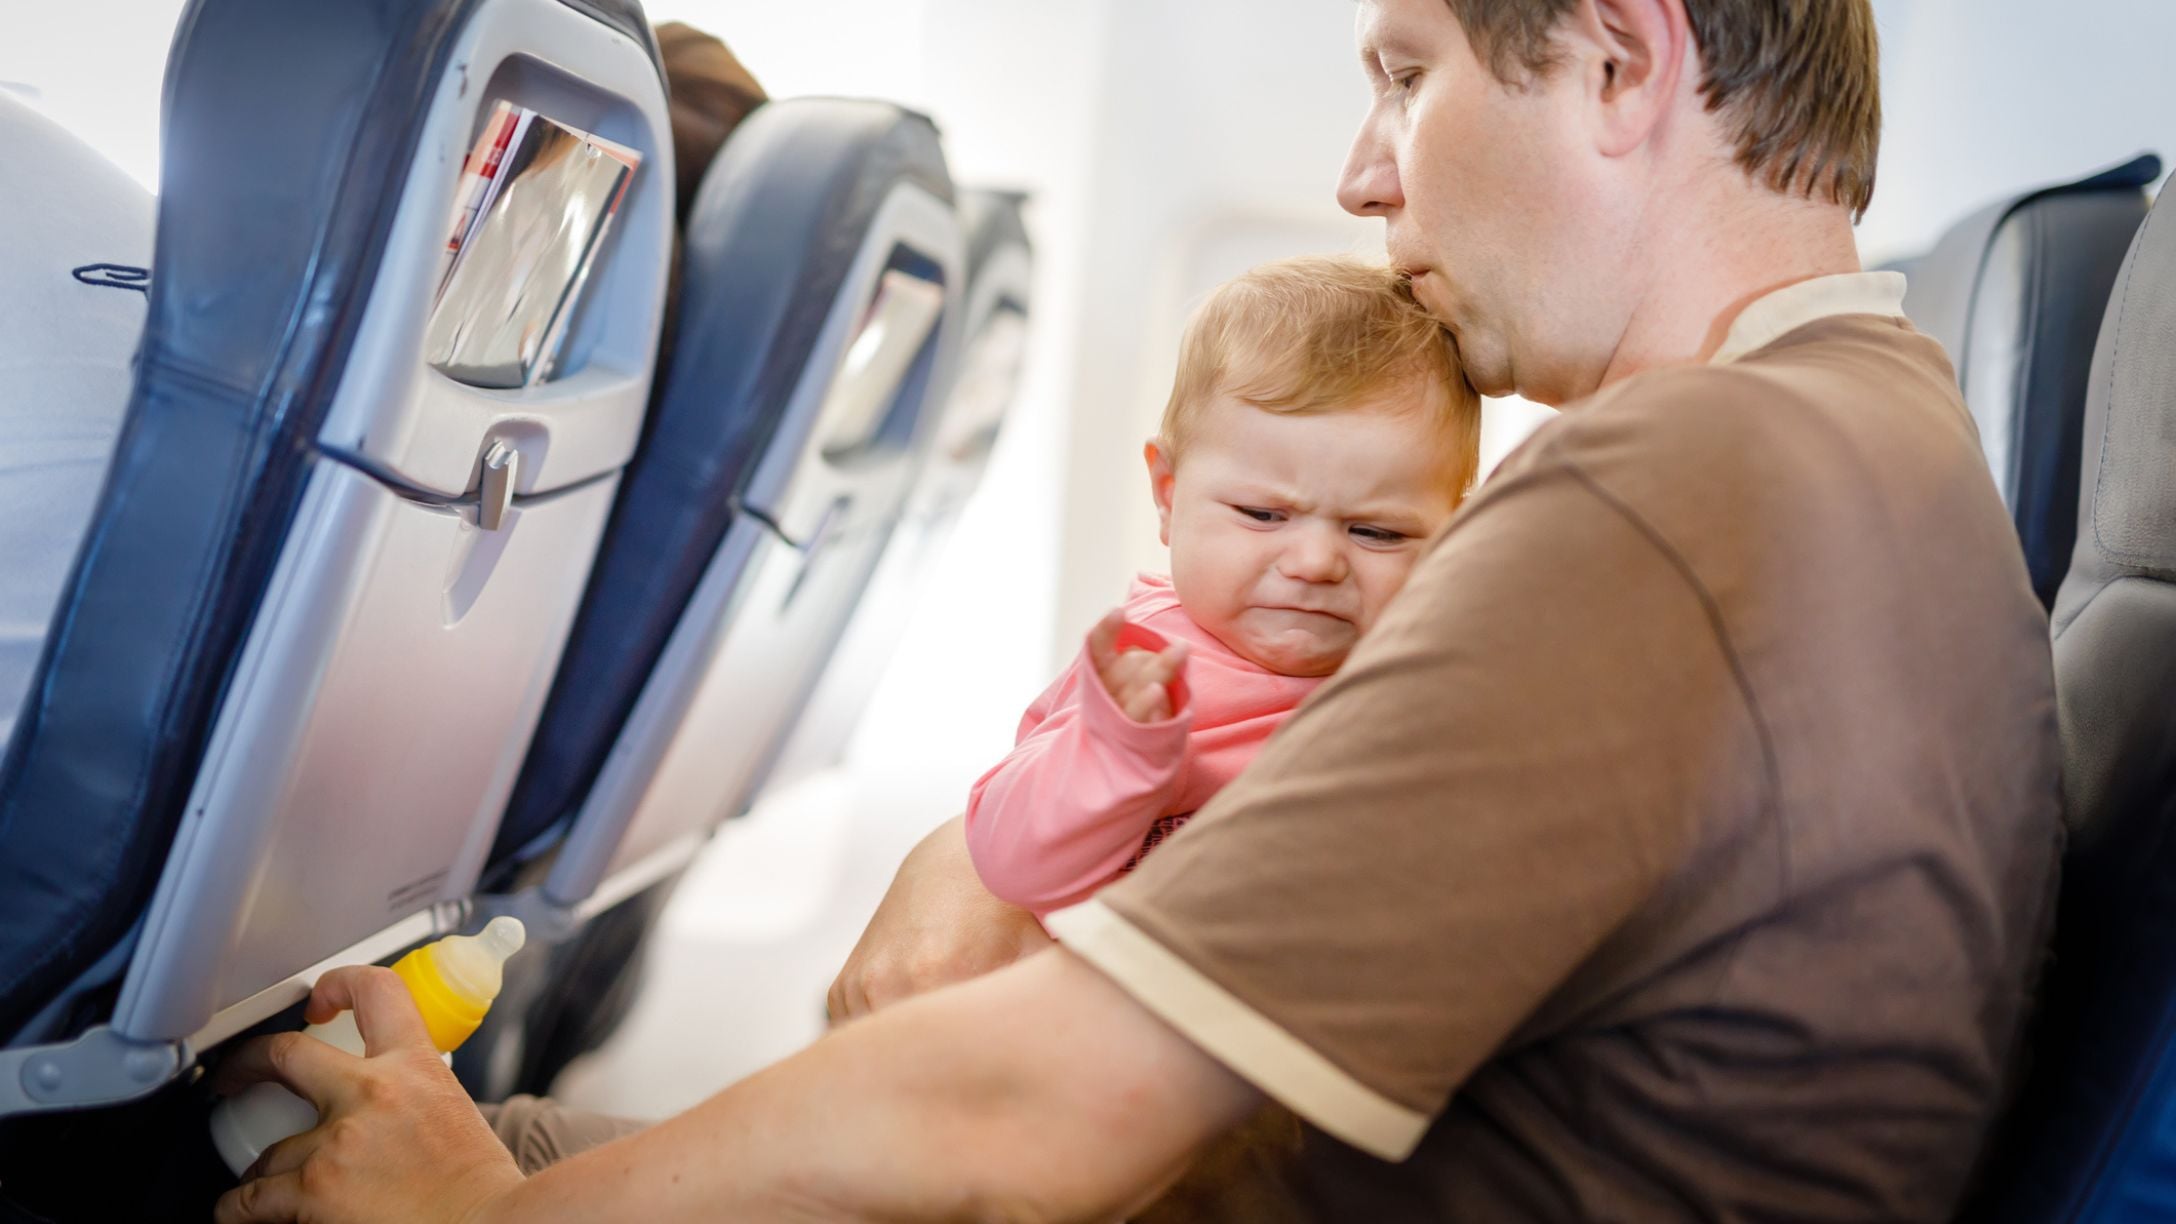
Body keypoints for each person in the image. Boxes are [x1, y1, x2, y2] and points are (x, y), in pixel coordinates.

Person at [212, 1, 2064, 1220]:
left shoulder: (1677, 489)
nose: (1361, 172)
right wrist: (984, 842)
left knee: (357, 1163)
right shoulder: (1881, 443)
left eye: (1406, 76)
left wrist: (495, 1215)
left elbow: (1037, 1112)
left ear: (1620, 58)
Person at [966, 256, 1480, 920]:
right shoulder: (1146, 678)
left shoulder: (1433, 676)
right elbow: (1011, 865)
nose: (1315, 562)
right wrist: (1117, 749)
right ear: (1168, 495)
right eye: (1264, 516)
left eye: (1378, 532)